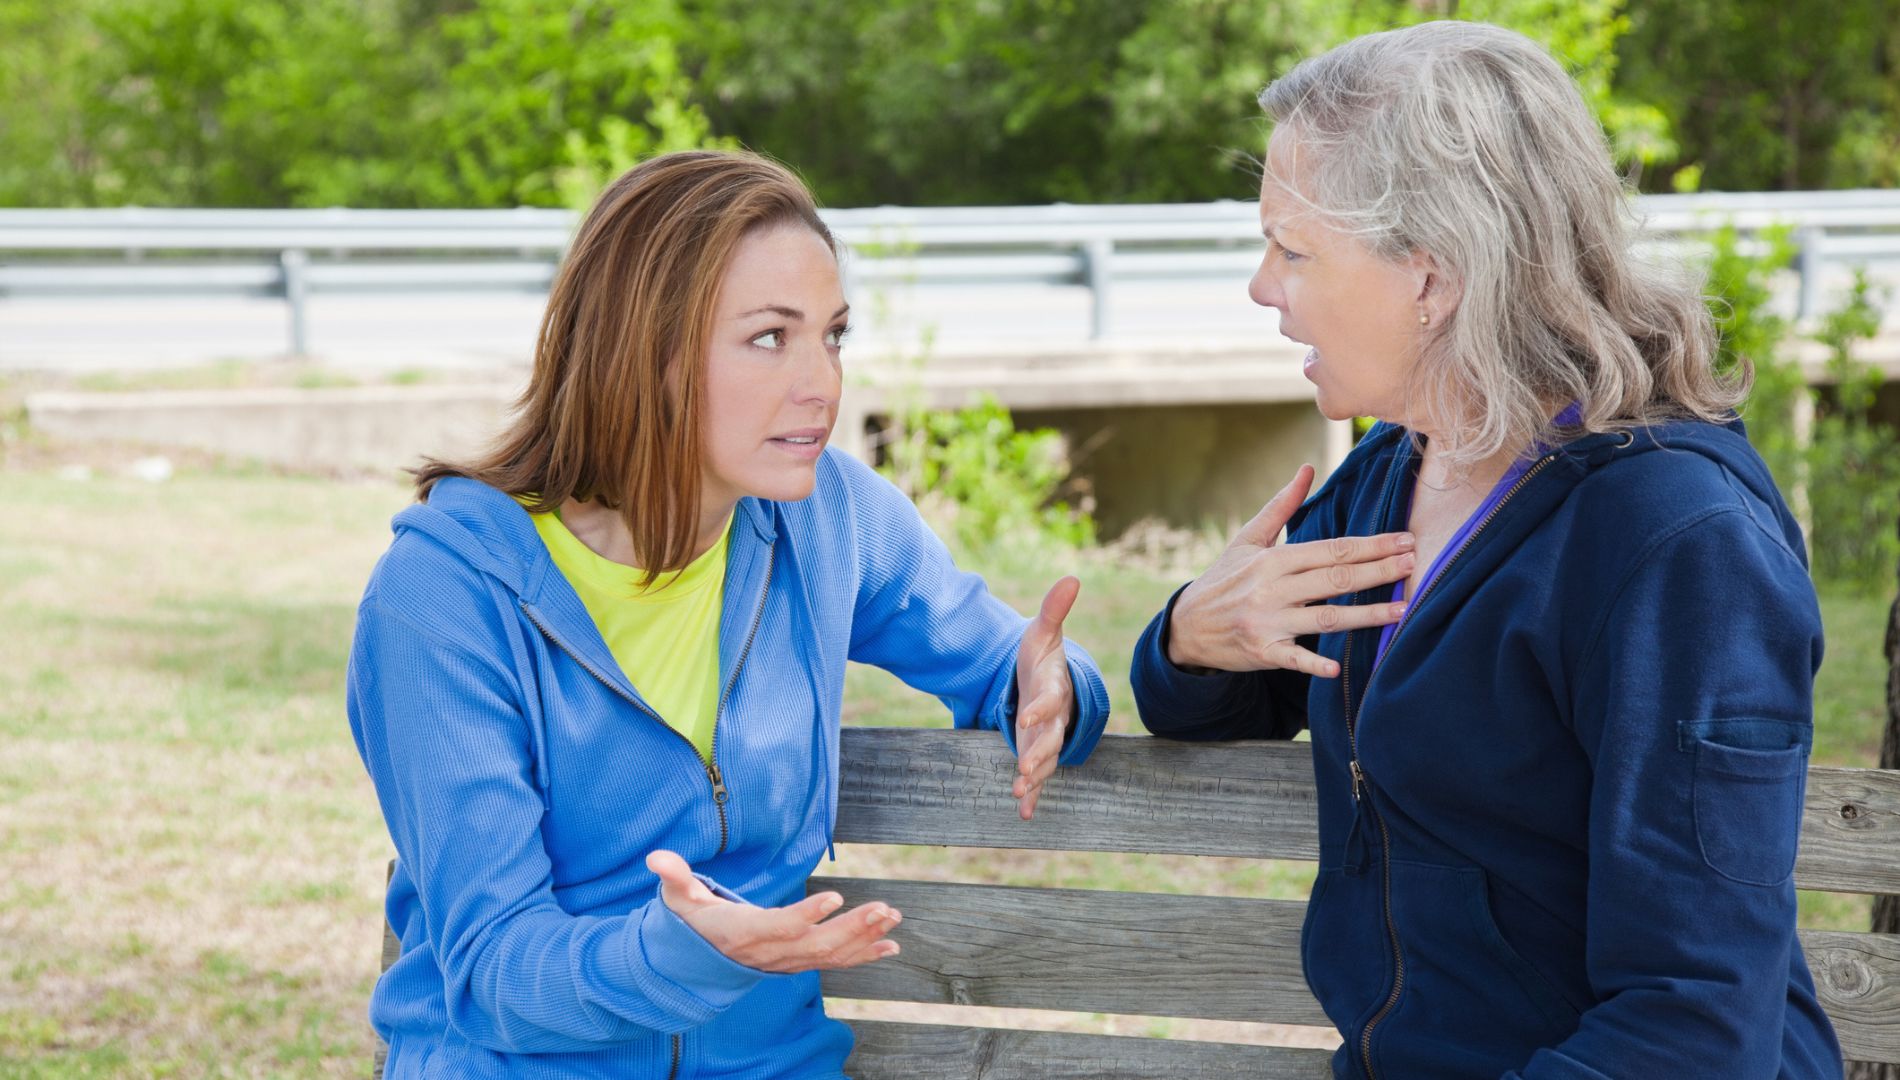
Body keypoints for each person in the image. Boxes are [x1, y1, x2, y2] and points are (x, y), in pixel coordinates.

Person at [1130, 21, 1842, 1080]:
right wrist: (1192, 637)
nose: (1261, 288)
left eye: (1293, 250)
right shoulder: (1393, 469)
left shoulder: (1679, 548)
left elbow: (1693, 1021)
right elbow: (1233, 701)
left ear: (1432, 275)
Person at [347, 149, 1110, 1079]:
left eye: (833, 336)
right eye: (768, 338)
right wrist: (690, 955)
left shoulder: (827, 519)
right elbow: (497, 971)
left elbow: (1003, 661)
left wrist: (1054, 689)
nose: (821, 384)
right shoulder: (447, 599)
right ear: (648, 353)